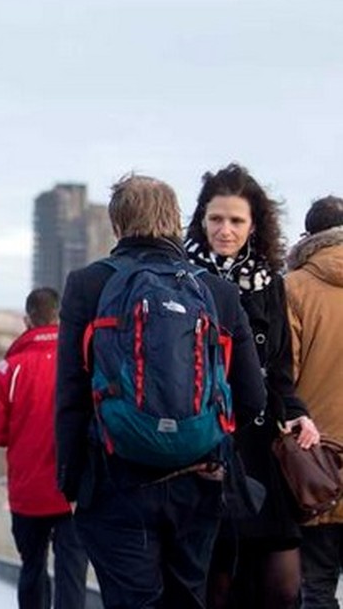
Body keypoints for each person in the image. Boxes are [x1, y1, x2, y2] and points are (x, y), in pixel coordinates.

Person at [56, 174, 267, 609]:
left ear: (117, 226)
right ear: (175, 221)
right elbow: (252, 396)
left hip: (114, 477)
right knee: (189, 597)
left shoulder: (87, 285)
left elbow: (71, 394)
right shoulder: (218, 292)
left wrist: (72, 479)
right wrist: (202, 436)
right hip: (199, 479)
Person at [185, 164, 320, 608]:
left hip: (261, 447)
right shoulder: (184, 279)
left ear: (253, 225)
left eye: (236, 220)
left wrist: (298, 412)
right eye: (216, 218)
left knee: (282, 587)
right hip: (206, 446)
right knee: (218, 586)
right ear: (201, 220)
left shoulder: (270, 285)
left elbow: (280, 371)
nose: (225, 230)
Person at [0, 287, 89, 609]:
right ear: (60, 318)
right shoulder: (82, 365)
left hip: (27, 493)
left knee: (32, 569)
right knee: (72, 573)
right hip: (74, 490)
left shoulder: (6, 371)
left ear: (27, 320)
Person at [284, 195, 343, 608]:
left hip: (318, 468)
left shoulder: (293, 288)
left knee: (317, 587)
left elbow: (284, 377)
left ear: (308, 237)